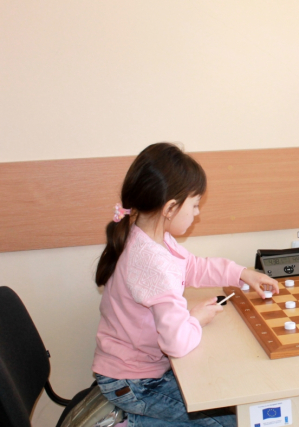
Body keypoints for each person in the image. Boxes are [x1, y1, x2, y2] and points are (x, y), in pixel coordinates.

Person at [92, 142, 279, 427]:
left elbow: (192, 267)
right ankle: (132, 422)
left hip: (139, 369)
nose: (197, 213)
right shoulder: (151, 262)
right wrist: (196, 319)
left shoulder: (150, 236)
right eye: (194, 205)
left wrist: (241, 274)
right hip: (135, 383)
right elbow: (177, 343)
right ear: (170, 208)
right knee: (234, 422)